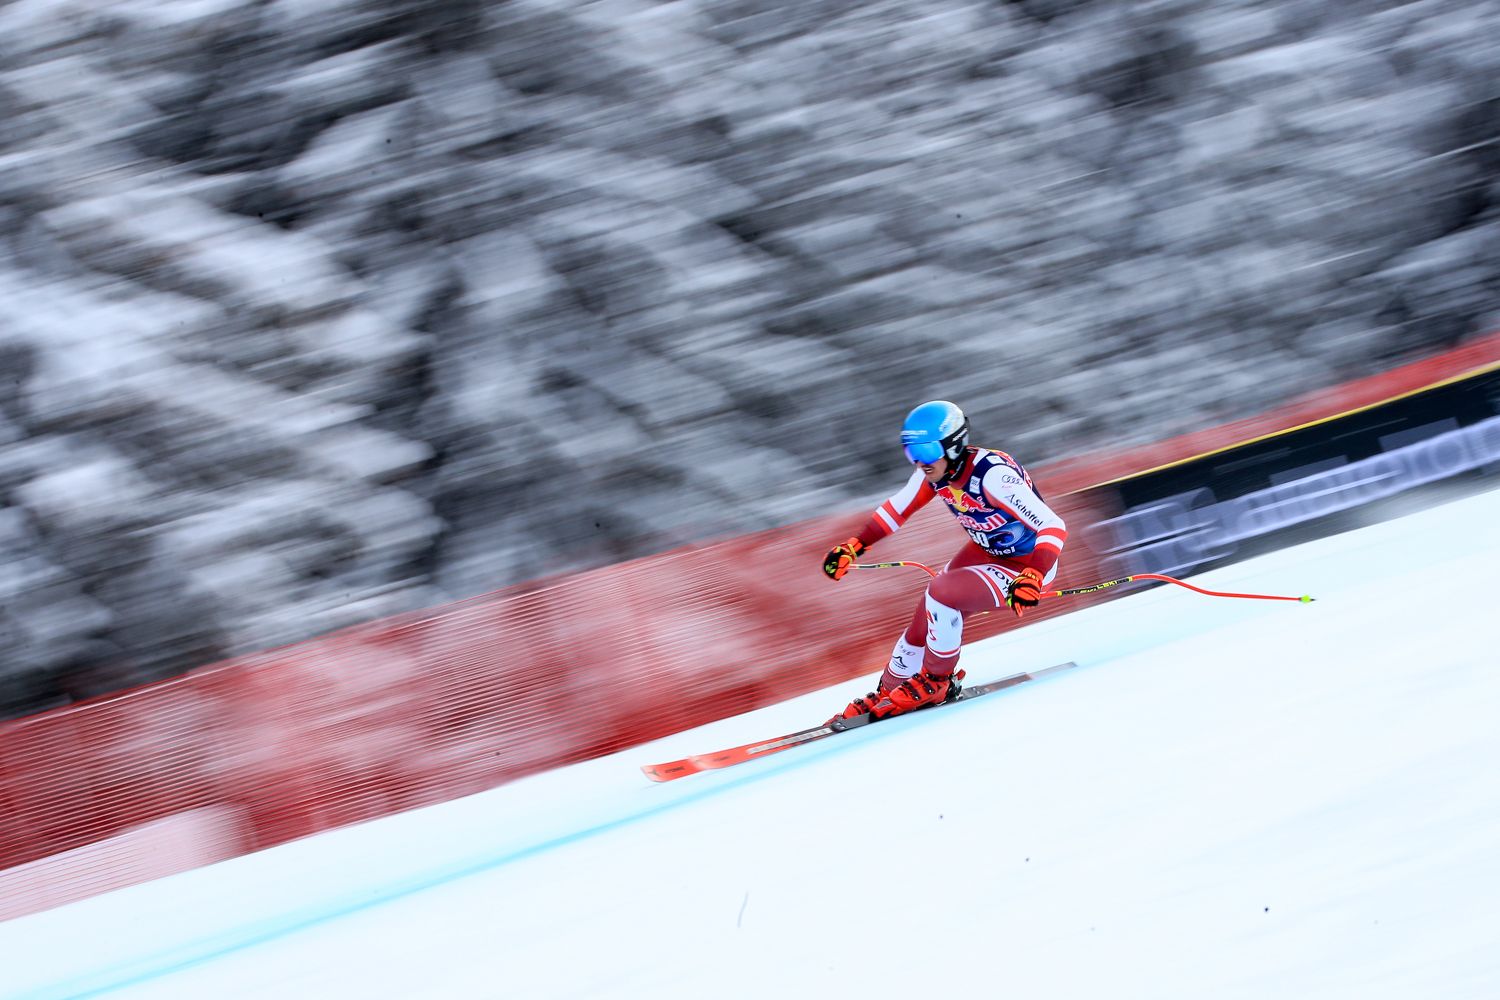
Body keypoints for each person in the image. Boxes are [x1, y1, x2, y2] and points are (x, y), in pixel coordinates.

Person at [822, 400, 1067, 722]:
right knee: (926, 612)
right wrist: (854, 546)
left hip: (1027, 567)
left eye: (925, 451)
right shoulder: (935, 473)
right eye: (911, 452)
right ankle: (889, 690)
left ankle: (937, 680)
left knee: (942, 591)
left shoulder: (992, 476)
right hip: (989, 552)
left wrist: (1034, 575)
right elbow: (897, 510)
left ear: (953, 445)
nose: (919, 462)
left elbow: (1053, 526)